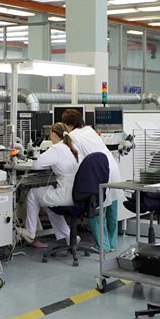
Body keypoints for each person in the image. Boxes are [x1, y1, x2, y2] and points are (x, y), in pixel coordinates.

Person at [61, 108, 123, 252]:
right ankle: (112, 244)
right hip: (111, 167)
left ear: (68, 124)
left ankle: (102, 245)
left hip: (98, 173)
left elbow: (74, 157)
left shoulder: (72, 136)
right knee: (111, 208)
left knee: (95, 207)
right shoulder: (90, 130)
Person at [18, 122, 78, 248]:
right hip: (77, 195)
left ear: (53, 134)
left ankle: (30, 233)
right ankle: (69, 236)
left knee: (33, 193)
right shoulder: (72, 147)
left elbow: (36, 164)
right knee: (49, 203)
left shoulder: (56, 149)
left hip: (64, 196)